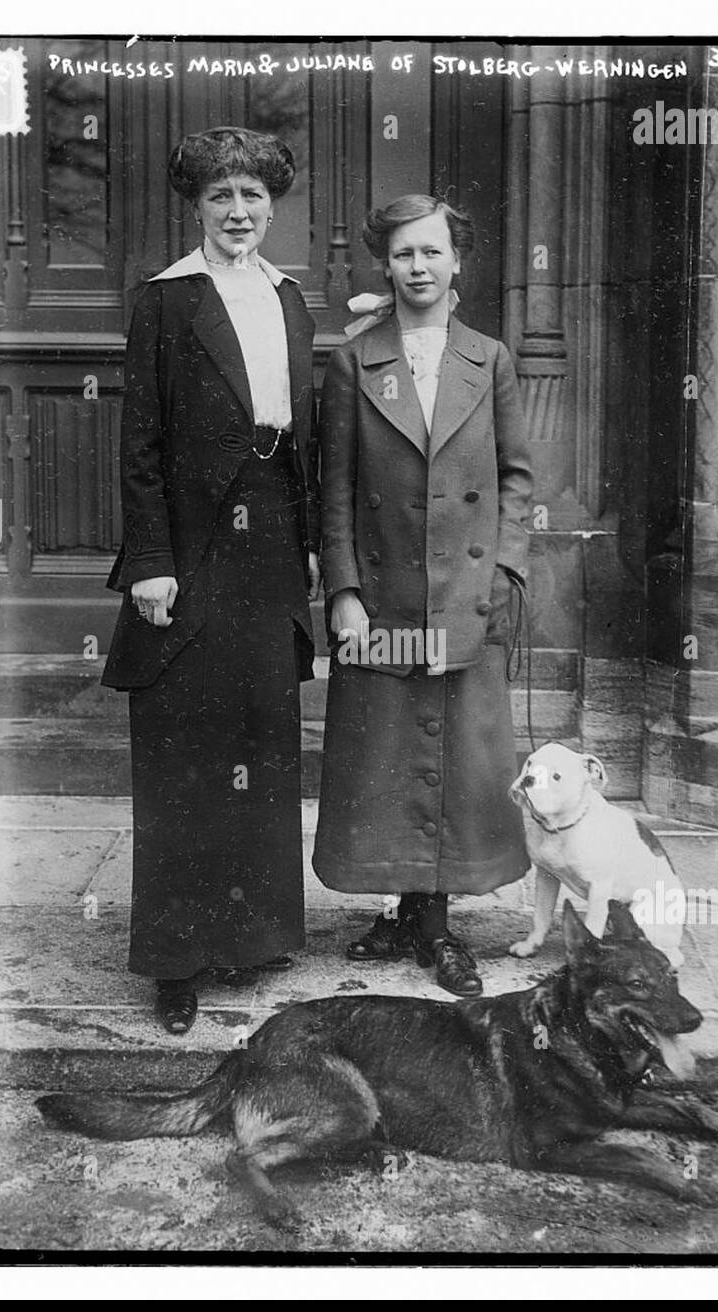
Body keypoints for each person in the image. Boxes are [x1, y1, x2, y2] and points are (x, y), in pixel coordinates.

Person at [102, 127, 320, 1034]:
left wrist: (308, 546)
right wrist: (150, 563)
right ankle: (178, 957)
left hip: (271, 537)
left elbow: (302, 433)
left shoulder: (291, 298)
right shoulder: (166, 300)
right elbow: (142, 444)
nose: (240, 213)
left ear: (274, 207)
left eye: (254, 198)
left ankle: (252, 935)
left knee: (260, 742)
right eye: (222, 197)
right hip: (192, 547)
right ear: (197, 207)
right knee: (186, 747)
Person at [312, 194, 532, 997]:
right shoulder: (354, 360)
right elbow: (333, 489)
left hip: (465, 593)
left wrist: (506, 569)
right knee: (393, 750)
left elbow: (515, 477)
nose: (418, 268)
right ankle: (410, 910)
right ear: (385, 264)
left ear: (457, 261)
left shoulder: (492, 359)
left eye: (432, 253)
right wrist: (343, 590)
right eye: (404, 254)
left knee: (458, 755)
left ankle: (437, 923)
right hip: (384, 595)